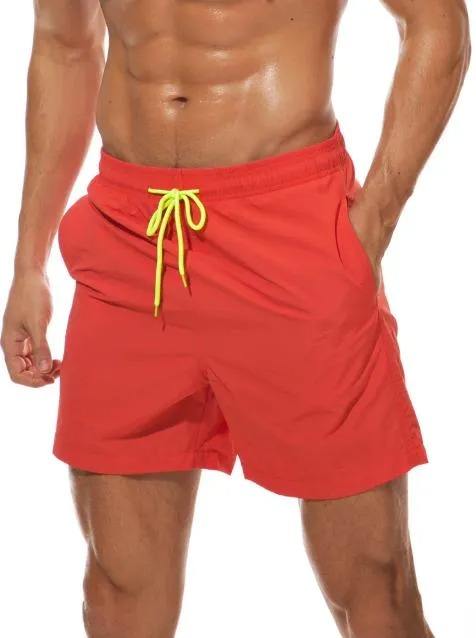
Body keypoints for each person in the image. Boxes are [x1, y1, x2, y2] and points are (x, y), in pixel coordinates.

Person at [2, 1, 470, 636]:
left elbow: (436, 22)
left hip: (290, 231)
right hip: (129, 240)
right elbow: (65, 45)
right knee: (117, 588)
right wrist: (28, 264)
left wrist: (375, 221)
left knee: (373, 585)